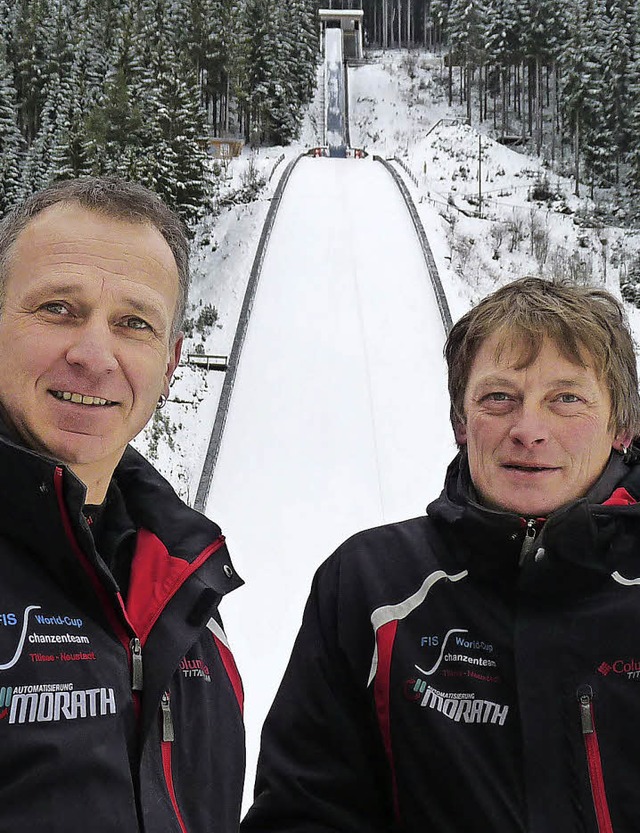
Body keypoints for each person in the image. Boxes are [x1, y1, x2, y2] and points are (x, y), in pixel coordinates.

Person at [241, 276, 640, 833]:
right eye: (498, 397)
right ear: (460, 421)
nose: (529, 430)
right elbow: (305, 808)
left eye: (566, 399)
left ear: (623, 425)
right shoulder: (372, 585)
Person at [0, 178, 244, 833]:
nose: (93, 354)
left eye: (133, 323)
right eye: (57, 308)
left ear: (169, 364)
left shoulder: (189, 597)